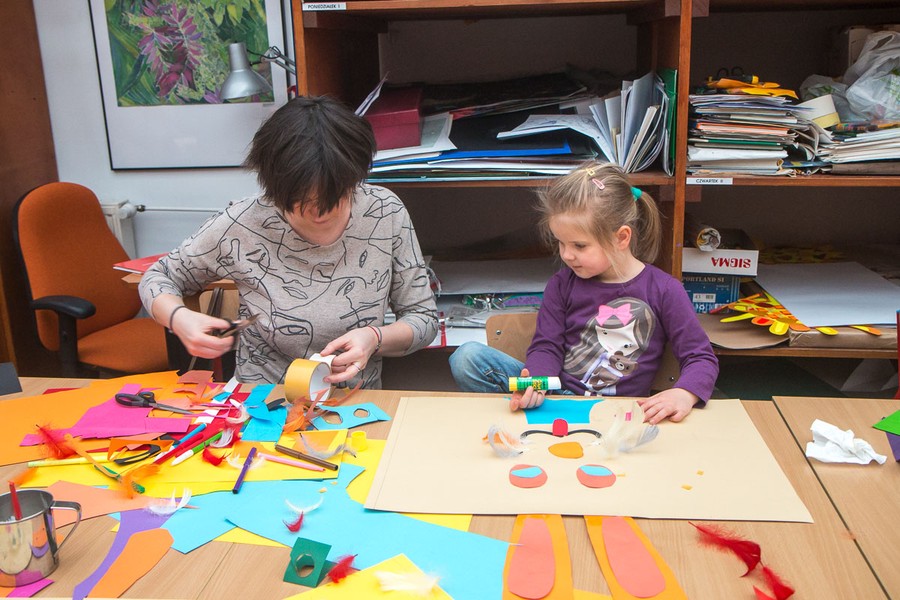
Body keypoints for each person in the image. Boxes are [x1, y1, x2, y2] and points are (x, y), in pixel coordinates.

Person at [139, 95, 439, 387]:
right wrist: (180, 319)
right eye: (298, 200)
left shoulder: (384, 211)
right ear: (274, 187)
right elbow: (159, 276)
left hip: (357, 405)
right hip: (263, 403)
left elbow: (423, 320)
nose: (318, 212)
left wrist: (375, 339)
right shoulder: (243, 223)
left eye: (333, 197)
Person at [449, 161, 718, 424]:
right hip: (558, 398)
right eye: (561, 243)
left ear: (621, 238)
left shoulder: (664, 289)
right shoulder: (562, 283)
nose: (566, 255)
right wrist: (536, 383)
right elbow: (547, 345)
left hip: (620, 414)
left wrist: (685, 394)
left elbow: (700, 357)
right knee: (467, 357)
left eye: (579, 245)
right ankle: (524, 421)